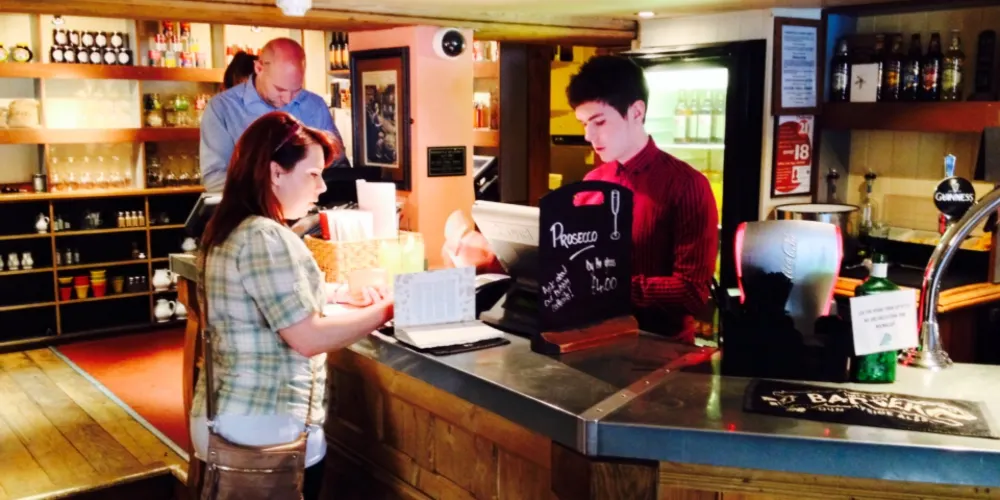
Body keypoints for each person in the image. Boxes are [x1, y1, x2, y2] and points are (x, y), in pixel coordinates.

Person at [189, 111, 393, 499]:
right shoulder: (265, 236)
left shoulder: (230, 227)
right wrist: (389, 309)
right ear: (275, 172)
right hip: (265, 429)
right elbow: (308, 338)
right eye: (313, 174)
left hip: (231, 416)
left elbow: (264, 293)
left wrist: (336, 293)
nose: (321, 187)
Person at [445, 55, 718, 343]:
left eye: (599, 121)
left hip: (660, 346)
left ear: (637, 112)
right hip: (592, 337)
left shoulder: (687, 186)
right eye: (584, 123)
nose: (588, 135)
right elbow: (567, 263)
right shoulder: (593, 182)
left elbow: (692, 292)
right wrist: (497, 258)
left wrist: (603, 284)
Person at [200, 37, 348, 193]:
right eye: (280, 89)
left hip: (310, 205)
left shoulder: (314, 105)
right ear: (259, 68)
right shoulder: (222, 108)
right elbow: (214, 179)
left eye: (296, 90)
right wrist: (276, 186)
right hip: (250, 207)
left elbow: (338, 166)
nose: (288, 99)